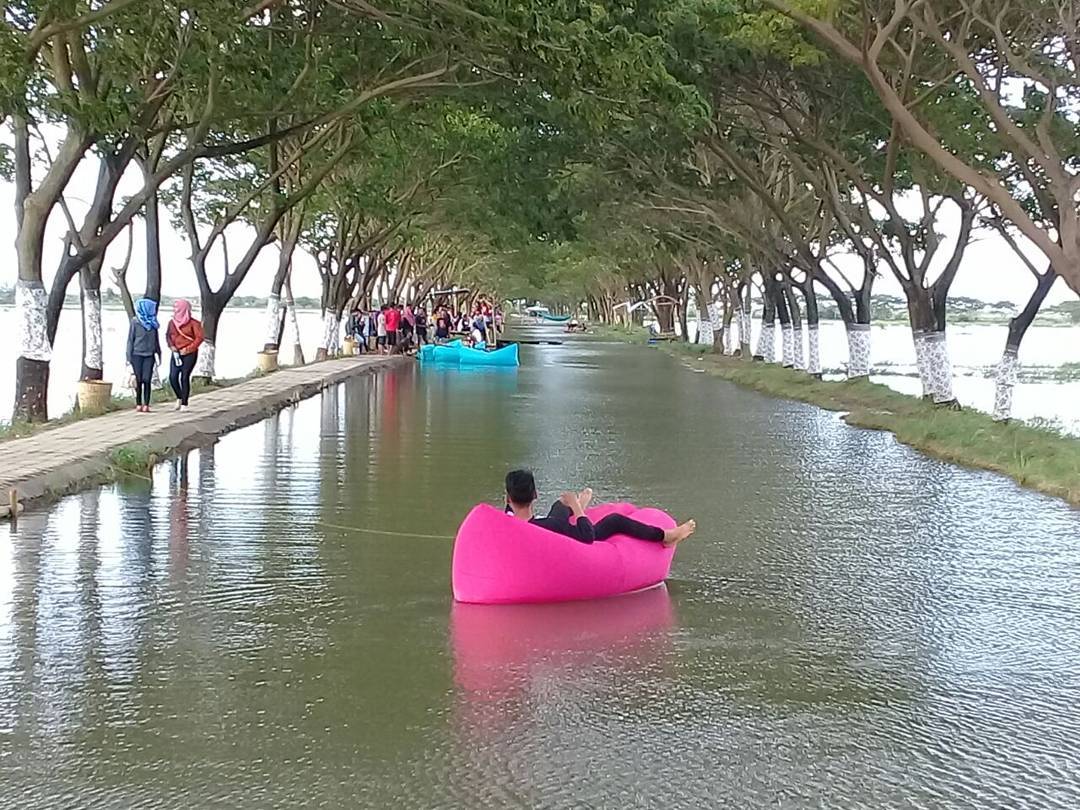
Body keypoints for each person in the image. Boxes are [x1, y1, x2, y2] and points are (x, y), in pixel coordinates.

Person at [504, 469, 695, 546]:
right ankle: (666, 537)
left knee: (559, 506)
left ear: (508, 499)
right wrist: (577, 508)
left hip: (540, 526)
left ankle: (575, 505)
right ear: (535, 495)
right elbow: (587, 536)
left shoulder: (505, 520)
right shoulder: (550, 526)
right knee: (615, 520)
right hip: (558, 536)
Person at [165, 299, 203, 411]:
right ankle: (179, 397)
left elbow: (199, 338)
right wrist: (171, 346)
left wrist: (188, 349)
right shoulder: (172, 323)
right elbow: (168, 335)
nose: (175, 310)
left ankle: (184, 403)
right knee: (172, 377)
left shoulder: (194, 323)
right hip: (176, 353)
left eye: (177, 307)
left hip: (189, 353)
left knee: (184, 376)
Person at [127, 298, 161, 413]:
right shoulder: (135, 322)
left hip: (149, 355)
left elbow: (156, 340)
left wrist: (159, 353)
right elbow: (130, 340)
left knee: (147, 379)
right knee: (139, 379)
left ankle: (146, 404)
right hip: (136, 354)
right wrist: (128, 357)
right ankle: (138, 403)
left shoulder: (153, 323)